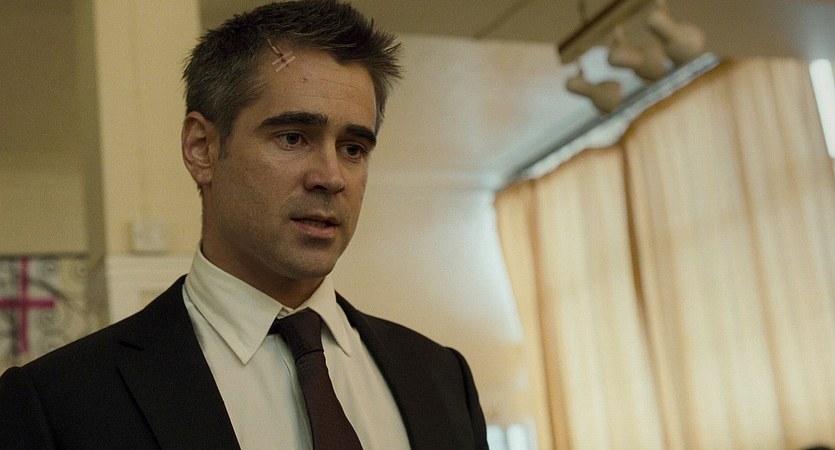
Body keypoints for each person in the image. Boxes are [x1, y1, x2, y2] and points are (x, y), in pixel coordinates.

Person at [0, 1, 488, 448]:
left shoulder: (442, 379)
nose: (331, 177)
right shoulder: (57, 403)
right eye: (293, 137)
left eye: (353, 148)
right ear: (202, 148)